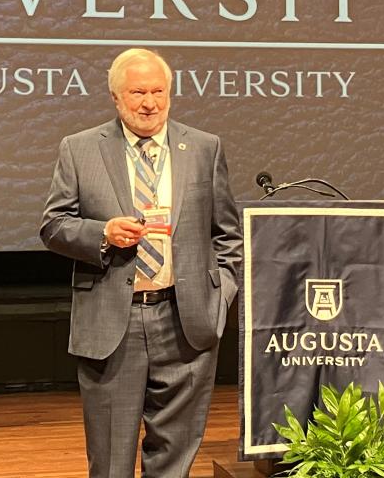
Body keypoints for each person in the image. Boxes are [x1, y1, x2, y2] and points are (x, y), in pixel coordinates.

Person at [40, 48, 242, 478]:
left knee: (176, 454)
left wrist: (219, 295)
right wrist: (102, 233)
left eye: (158, 91)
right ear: (116, 97)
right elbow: (54, 226)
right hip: (116, 321)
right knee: (111, 460)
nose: (149, 102)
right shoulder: (80, 149)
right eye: (137, 92)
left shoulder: (204, 147)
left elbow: (228, 233)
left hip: (186, 320)